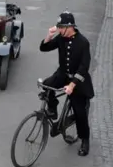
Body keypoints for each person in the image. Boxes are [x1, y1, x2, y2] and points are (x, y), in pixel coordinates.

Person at [39, 11, 94, 157]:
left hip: (78, 80)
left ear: (69, 27)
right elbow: (44, 48)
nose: (59, 29)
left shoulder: (83, 42)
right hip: (63, 74)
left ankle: (85, 140)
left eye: (60, 27)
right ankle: (53, 109)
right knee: (46, 85)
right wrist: (49, 35)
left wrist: (72, 85)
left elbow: (84, 68)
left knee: (79, 112)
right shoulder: (61, 38)